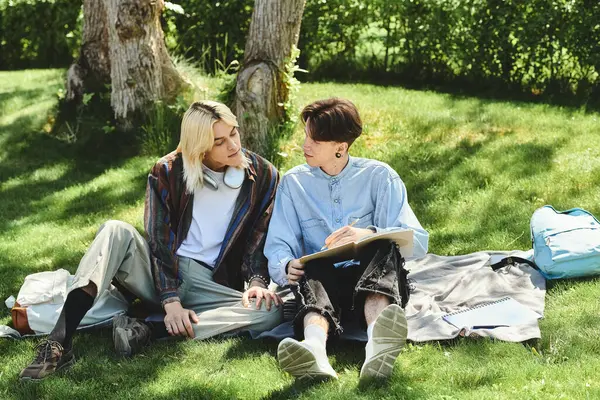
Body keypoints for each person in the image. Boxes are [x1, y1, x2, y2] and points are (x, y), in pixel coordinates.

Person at [19, 101, 283, 381]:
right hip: (161, 272)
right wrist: (170, 300)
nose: (232, 145)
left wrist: (256, 282)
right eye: (219, 141)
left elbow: (259, 237)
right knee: (114, 230)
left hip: (210, 284)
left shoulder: (263, 175)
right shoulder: (168, 171)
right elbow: (158, 240)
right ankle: (58, 343)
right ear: (199, 146)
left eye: (234, 133)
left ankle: (147, 330)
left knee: (271, 313)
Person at [264, 98, 429, 382]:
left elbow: (418, 242)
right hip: (324, 290)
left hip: (377, 287)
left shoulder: (381, 177)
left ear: (340, 147)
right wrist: (285, 264)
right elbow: (279, 243)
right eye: (305, 135)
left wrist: (369, 233)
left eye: (315, 140)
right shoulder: (293, 183)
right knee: (311, 262)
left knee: (384, 243)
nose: (305, 145)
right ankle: (314, 350)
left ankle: (378, 344)